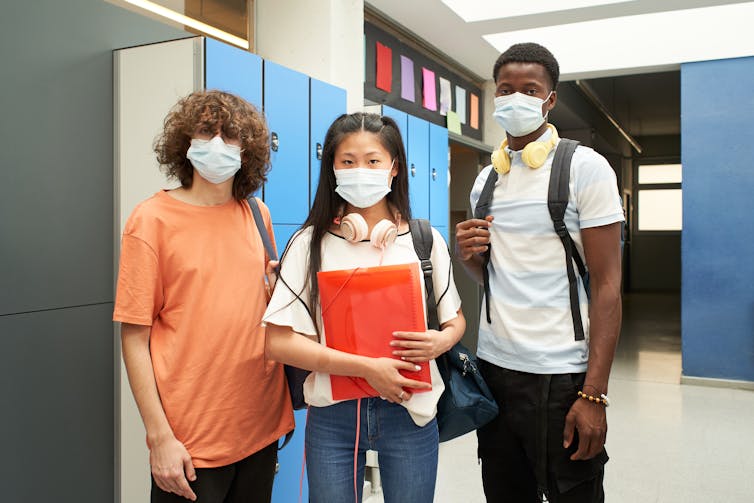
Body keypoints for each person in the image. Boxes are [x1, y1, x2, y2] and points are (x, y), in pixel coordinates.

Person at [263, 112, 466, 503]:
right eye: (348, 161)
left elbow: (454, 320)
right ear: (332, 169)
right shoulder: (310, 244)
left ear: (393, 169)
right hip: (335, 416)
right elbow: (278, 344)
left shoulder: (425, 241)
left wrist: (441, 342)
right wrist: (369, 369)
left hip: (411, 409)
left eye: (373, 161)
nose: (361, 170)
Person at [455, 43, 623, 502]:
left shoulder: (584, 169)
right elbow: (490, 278)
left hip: (561, 377)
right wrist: (469, 256)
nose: (515, 99)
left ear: (549, 100)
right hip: (494, 370)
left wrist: (594, 395)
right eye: (505, 89)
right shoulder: (486, 180)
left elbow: (608, 287)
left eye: (530, 90)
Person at [113, 90, 294, 502]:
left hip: (259, 427)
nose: (217, 144)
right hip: (190, 443)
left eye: (229, 136)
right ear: (185, 143)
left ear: (247, 151)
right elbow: (134, 338)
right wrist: (159, 437)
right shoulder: (151, 220)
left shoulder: (256, 214)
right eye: (205, 132)